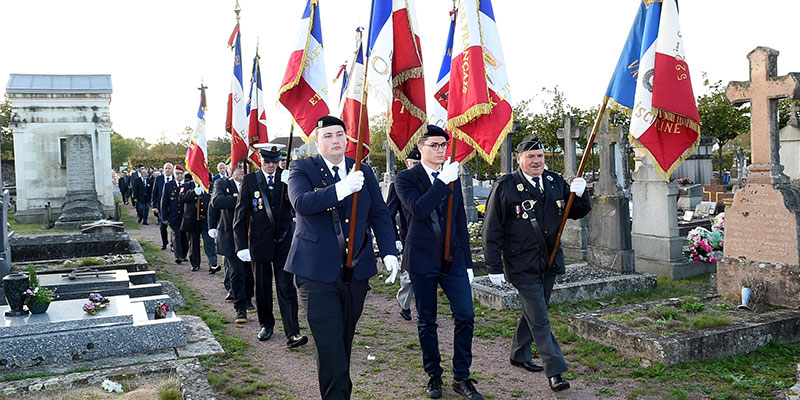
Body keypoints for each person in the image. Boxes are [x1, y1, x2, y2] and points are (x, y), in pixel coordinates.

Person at [286, 116, 399, 400]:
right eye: (328, 135)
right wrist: (341, 188)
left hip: (355, 272)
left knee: (343, 340)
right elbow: (302, 203)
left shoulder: (363, 170)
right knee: (330, 345)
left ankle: (338, 391)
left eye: (340, 134)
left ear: (347, 138)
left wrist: (388, 251)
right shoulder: (301, 167)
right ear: (316, 140)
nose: (335, 140)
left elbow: (379, 214)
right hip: (316, 274)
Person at [482, 135, 590, 393]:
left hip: (550, 260)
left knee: (534, 312)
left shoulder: (554, 182)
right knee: (540, 319)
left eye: (540, 156)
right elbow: (491, 228)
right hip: (521, 263)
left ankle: (519, 353)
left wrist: (581, 194)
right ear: (519, 159)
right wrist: (493, 266)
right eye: (530, 156)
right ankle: (556, 372)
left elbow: (575, 212)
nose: (536, 161)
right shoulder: (506, 186)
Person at [394, 125, 482, 400]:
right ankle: (434, 374)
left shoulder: (452, 175)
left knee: (466, 315)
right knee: (427, 320)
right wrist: (442, 182)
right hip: (421, 258)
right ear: (420, 148)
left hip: (453, 258)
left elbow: (459, 221)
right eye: (434, 145)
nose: (441, 150)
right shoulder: (405, 178)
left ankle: (462, 376)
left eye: (444, 145)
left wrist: (467, 263)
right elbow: (419, 210)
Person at [233, 143, 306, 346]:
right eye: (267, 161)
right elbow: (240, 215)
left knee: (286, 287)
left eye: (275, 162)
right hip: (260, 242)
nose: (271, 165)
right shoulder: (250, 180)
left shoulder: (288, 178)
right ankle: (266, 324)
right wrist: (241, 246)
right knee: (263, 287)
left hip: (284, 241)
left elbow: (298, 206)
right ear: (260, 161)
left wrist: (291, 186)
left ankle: (293, 332)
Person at [211, 160, 255, 324]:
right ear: (230, 169)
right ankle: (240, 308)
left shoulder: (252, 183)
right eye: (238, 167)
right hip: (229, 236)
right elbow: (217, 201)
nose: (242, 170)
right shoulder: (221, 183)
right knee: (236, 273)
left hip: (249, 235)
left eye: (245, 167)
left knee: (250, 272)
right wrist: (242, 200)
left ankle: (248, 298)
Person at [386, 147, 421, 321]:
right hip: (408, 236)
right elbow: (389, 214)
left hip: (428, 237)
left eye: (418, 163)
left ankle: (425, 309)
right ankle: (405, 304)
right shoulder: (398, 185)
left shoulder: (429, 182)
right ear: (407, 163)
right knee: (409, 276)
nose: (415, 166)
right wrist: (394, 238)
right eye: (413, 163)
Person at [179, 172, 219, 272]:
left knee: (209, 243)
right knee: (193, 243)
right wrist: (193, 193)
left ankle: (213, 264)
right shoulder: (187, 185)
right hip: (192, 220)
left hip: (206, 219)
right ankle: (195, 263)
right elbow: (181, 198)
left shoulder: (211, 186)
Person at [161, 165, 188, 264]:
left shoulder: (188, 184)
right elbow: (164, 202)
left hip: (186, 217)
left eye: (181, 173)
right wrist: (164, 217)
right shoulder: (168, 185)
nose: (179, 175)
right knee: (176, 236)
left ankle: (184, 254)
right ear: (174, 174)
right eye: (177, 173)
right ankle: (178, 256)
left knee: (185, 237)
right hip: (173, 216)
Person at [152, 163, 174, 250]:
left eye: (169, 168)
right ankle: (164, 243)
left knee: (174, 227)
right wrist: (154, 206)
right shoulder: (158, 179)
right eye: (166, 168)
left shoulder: (174, 179)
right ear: (163, 170)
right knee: (162, 227)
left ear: (172, 170)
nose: (168, 170)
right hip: (161, 207)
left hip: (173, 207)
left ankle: (173, 244)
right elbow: (154, 193)